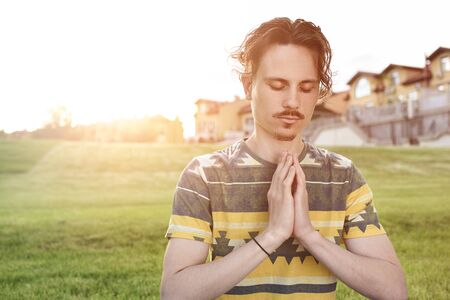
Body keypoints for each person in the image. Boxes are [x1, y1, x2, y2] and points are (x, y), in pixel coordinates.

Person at [160, 17, 407, 299]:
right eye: (278, 85)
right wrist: (272, 235)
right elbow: (175, 293)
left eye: (306, 87)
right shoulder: (204, 175)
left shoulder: (342, 175)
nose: (292, 101)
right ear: (247, 84)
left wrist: (309, 234)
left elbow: (394, 290)